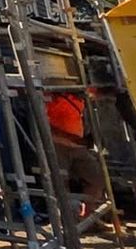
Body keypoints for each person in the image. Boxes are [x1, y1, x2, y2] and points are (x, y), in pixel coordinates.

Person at [45, 90, 108, 220]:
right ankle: (65, 220)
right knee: (60, 183)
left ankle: (88, 216)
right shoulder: (50, 96)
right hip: (57, 145)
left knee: (97, 179)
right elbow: (45, 127)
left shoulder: (78, 97)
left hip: (78, 146)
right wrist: (74, 139)